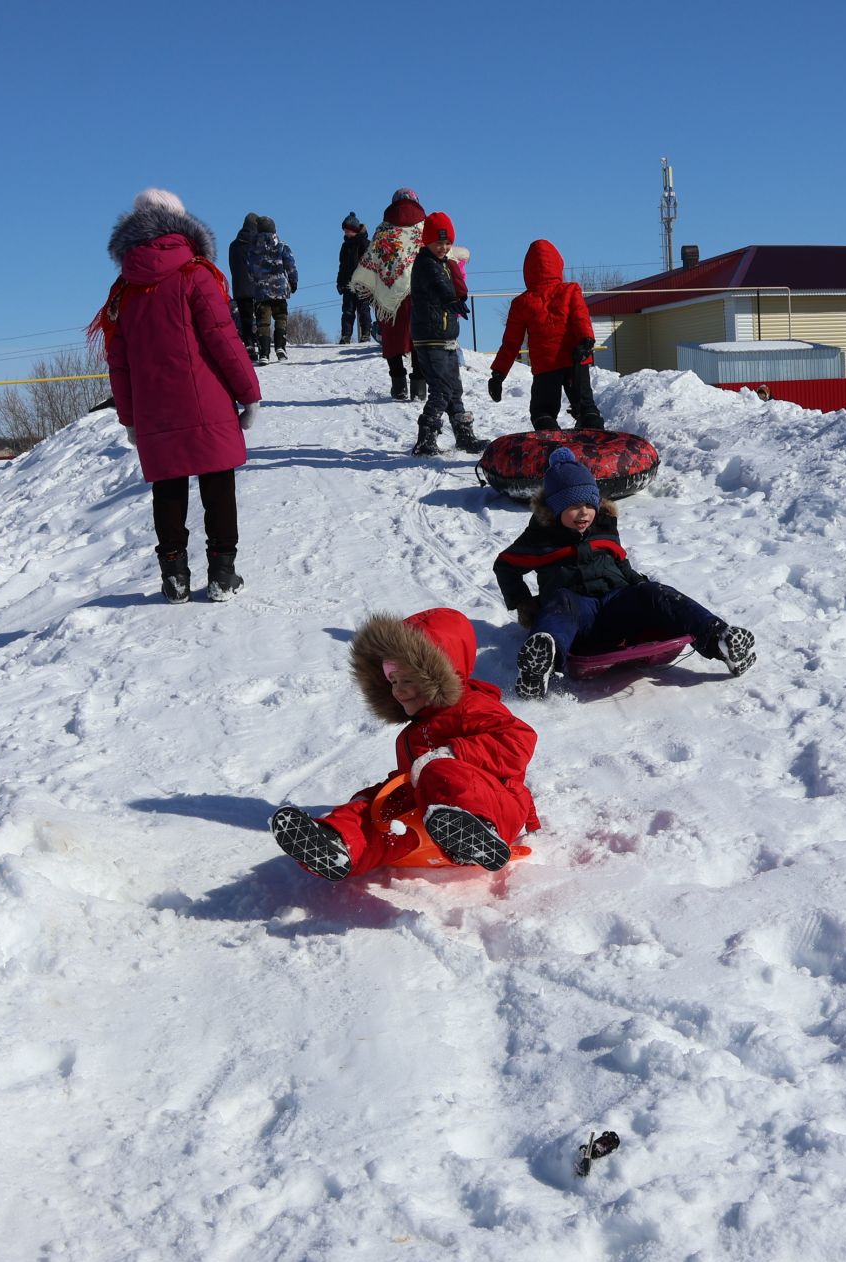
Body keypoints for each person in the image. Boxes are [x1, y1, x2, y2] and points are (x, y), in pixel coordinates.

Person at [270, 608, 540, 880]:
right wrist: (380, 797)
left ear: (438, 676)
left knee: (440, 771)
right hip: (430, 821)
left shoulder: (471, 705)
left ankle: (467, 829)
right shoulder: (410, 735)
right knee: (378, 803)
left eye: (407, 680)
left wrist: (451, 754)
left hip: (493, 813)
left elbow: (518, 740)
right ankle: (337, 844)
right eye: (392, 681)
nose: (397, 690)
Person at [91, 188, 259, 604]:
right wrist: (248, 393)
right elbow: (223, 339)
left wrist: (129, 417)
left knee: (168, 489)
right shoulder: (196, 273)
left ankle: (175, 578)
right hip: (207, 399)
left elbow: (120, 360)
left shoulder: (123, 290)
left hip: (153, 410)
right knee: (217, 481)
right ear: (181, 224)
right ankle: (222, 574)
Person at [493, 448, 755, 698]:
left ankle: (719, 639)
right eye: (572, 506)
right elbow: (506, 566)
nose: (583, 512)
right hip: (579, 612)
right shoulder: (540, 538)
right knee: (560, 602)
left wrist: (643, 591)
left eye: (589, 503)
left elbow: (621, 565)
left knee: (654, 591)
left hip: (616, 604)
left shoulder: (604, 527)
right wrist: (526, 604)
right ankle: (541, 662)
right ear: (554, 509)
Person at [487, 239, 605, 432]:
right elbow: (581, 318)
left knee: (543, 410)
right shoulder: (571, 290)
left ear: (527, 271)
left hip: (546, 366)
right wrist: (586, 341)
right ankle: (596, 437)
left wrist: (498, 374)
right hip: (576, 359)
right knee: (586, 405)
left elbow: (511, 343)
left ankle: (549, 440)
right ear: (558, 264)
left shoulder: (522, 303)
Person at [409, 211, 483, 457]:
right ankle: (426, 438)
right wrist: (451, 300)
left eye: (447, 242)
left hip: (446, 337)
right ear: (426, 241)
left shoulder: (444, 264)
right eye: (438, 242)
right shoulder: (426, 265)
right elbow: (439, 287)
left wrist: (455, 300)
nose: (443, 247)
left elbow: (448, 285)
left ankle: (463, 435)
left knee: (454, 389)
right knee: (441, 389)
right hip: (430, 339)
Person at [351, 188, 427, 402]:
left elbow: (371, 260)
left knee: (393, 337)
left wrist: (367, 287)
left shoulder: (383, 230)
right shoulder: (425, 227)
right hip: (420, 292)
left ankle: (399, 385)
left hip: (389, 294)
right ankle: (420, 387)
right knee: (420, 337)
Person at [246, 216, 299, 362]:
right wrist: (293, 283)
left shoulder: (252, 249)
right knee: (281, 317)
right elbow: (291, 266)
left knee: (263, 322)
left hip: (261, 292)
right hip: (280, 290)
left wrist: (256, 282)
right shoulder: (282, 245)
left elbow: (249, 271)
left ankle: (264, 353)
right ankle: (280, 347)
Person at [336, 213, 374, 343]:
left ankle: (366, 333)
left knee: (363, 309)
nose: (346, 233)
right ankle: (346, 335)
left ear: (354, 230)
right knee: (347, 310)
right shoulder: (345, 246)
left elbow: (370, 264)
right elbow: (342, 266)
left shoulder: (365, 243)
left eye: (348, 230)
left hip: (362, 282)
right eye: (345, 231)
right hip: (347, 282)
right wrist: (340, 282)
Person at [227, 213, 259, 353]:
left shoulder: (233, 245)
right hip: (257, 286)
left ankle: (248, 343)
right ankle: (260, 342)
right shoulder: (258, 243)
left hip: (240, 286)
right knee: (260, 316)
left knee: (245, 317)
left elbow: (232, 266)